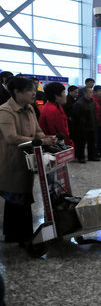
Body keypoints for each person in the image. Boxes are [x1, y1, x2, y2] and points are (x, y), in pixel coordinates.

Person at [0, 77, 56, 245]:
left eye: (34, 88)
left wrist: (47, 138)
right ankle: (23, 237)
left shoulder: (30, 109)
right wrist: (38, 141)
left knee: (20, 197)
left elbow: (37, 131)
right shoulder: (5, 111)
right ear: (17, 92)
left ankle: (12, 235)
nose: (34, 92)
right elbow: (11, 137)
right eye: (29, 90)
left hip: (27, 160)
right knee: (17, 198)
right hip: (11, 162)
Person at [38, 82, 73, 147]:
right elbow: (59, 132)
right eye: (64, 93)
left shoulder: (56, 106)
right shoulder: (52, 110)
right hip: (55, 146)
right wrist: (69, 144)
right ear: (56, 96)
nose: (65, 95)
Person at [71, 86, 99, 163]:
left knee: (92, 142)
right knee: (81, 143)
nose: (92, 94)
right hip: (82, 127)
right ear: (85, 93)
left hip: (92, 125)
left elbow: (94, 114)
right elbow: (75, 116)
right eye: (90, 92)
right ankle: (81, 157)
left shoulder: (93, 102)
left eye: (92, 92)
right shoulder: (79, 103)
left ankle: (91, 156)